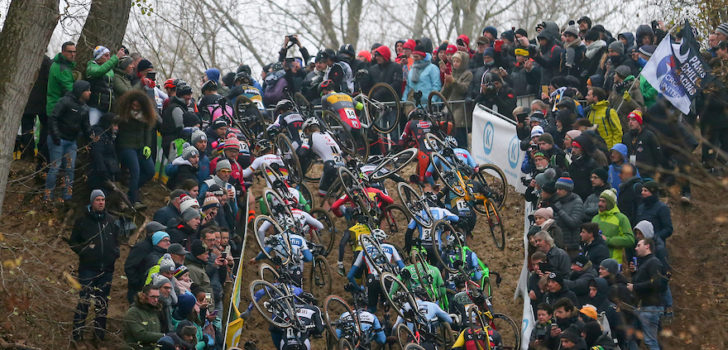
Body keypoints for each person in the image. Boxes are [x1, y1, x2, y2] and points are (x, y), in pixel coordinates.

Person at [68, 190, 120, 344]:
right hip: (88, 269)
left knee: (102, 304)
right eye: (98, 199)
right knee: (84, 301)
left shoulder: (111, 220)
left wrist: (114, 253)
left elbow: (116, 240)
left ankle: (99, 336)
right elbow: (73, 241)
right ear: (92, 202)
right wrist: (84, 251)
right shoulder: (82, 220)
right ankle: (77, 335)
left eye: (103, 199)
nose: (101, 202)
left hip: (107, 270)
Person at [45, 80, 91, 202]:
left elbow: (86, 127)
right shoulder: (65, 101)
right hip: (58, 141)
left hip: (71, 142)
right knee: (55, 168)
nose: (90, 92)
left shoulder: (85, 108)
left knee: (70, 169)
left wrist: (92, 137)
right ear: (81, 91)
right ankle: (48, 196)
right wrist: (56, 136)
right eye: (87, 90)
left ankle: (67, 196)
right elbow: (53, 117)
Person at [115, 90, 157, 208]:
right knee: (135, 171)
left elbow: (147, 131)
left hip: (140, 146)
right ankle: (133, 201)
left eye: (138, 106)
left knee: (150, 171)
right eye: (133, 105)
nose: (135, 108)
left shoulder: (145, 115)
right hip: (126, 146)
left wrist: (147, 146)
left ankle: (129, 193)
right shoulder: (123, 113)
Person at [628, 239, 666, 350]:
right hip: (641, 307)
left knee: (650, 341)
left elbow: (656, 282)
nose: (635, 248)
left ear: (647, 246)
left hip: (650, 308)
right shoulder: (644, 263)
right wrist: (635, 272)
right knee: (631, 338)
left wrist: (634, 287)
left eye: (638, 245)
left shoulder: (654, 262)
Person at [592, 189, 635, 263]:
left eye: (603, 201)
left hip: (614, 262)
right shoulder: (595, 218)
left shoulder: (621, 218)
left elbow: (630, 240)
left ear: (610, 203)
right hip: (596, 261)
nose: (599, 204)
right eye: (599, 201)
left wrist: (608, 240)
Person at [86, 46, 126, 125]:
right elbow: (100, 71)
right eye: (106, 55)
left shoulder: (110, 71)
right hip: (95, 108)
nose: (109, 57)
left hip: (108, 109)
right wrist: (117, 57)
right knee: (91, 129)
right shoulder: (91, 67)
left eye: (109, 55)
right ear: (98, 57)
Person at [441, 51, 473, 147]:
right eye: (454, 61)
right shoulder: (452, 74)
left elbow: (464, 89)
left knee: (460, 135)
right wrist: (446, 85)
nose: (455, 63)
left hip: (461, 110)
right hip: (450, 108)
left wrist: (454, 82)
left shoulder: (468, 74)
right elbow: (443, 94)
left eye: (457, 61)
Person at [621, 110, 662, 179]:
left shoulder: (649, 135)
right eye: (629, 120)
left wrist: (656, 170)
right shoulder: (626, 137)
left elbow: (657, 154)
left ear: (639, 122)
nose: (630, 122)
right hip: (631, 174)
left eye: (633, 120)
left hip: (647, 173)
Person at [552, 176, 585, 256]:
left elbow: (573, 223)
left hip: (571, 248)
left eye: (560, 189)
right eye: (557, 189)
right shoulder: (558, 203)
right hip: (558, 246)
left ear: (567, 190)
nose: (557, 191)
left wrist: (559, 211)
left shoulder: (577, 203)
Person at [123, 284, 164, 349]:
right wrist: (163, 336)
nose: (156, 300)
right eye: (153, 297)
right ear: (144, 296)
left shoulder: (155, 311)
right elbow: (140, 335)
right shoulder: (133, 312)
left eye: (157, 297)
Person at [47, 41, 77, 118]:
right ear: (63, 52)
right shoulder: (63, 69)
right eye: (70, 52)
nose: (73, 54)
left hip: (54, 108)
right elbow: (70, 90)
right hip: (58, 110)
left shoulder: (57, 63)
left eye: (74, 52)